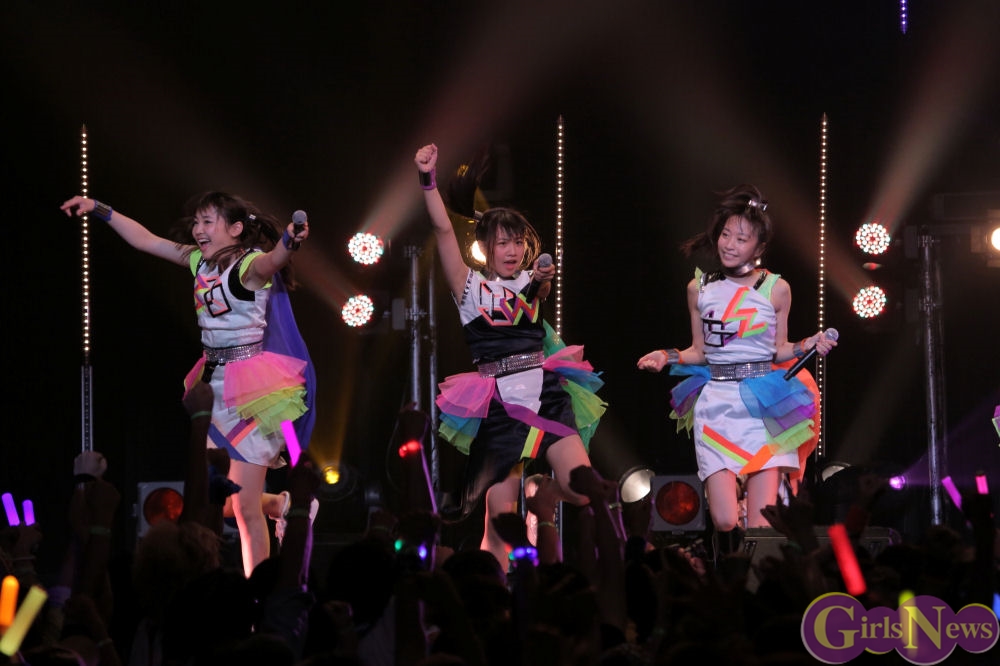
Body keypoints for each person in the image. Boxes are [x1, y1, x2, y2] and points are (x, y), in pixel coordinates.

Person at [60, 192, 316, 577]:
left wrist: (290, 241)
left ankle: (256, 596)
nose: (198, 229)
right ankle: (282, 507)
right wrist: (98, 209)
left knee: (245, 511)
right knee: (219, 501)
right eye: (196, 222)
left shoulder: (250, 266)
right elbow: (145, 240)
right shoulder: (199, 261)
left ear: (235, 228)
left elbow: (275, 259)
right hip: (211, 386)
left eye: (207, 221)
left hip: (253, 391)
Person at [413, 143, 607, 568]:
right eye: (502, 243)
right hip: (499, 404)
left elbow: (541, 287)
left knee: (583, 491)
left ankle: (546, 498)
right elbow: (443, 230)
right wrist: (427, 178)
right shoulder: (469, 287)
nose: (512, 250)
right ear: (484, 246)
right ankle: (495, 590)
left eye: (518, 242)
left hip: (546, 393)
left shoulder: (531, 280)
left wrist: (542, 278)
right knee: (499, 519)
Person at [637, 184, 836, 546]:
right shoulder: (699, 288)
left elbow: (778, 351)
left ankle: (756, 576)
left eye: (741, 239)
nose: (729, 244)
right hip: (717, 404)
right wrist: (666, 356)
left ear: (759, 247)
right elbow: (699, 351)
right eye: (726, 234)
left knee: (761, 526)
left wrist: (806, 344)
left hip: (764, 404)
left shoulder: (776, 288)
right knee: (725, 518)